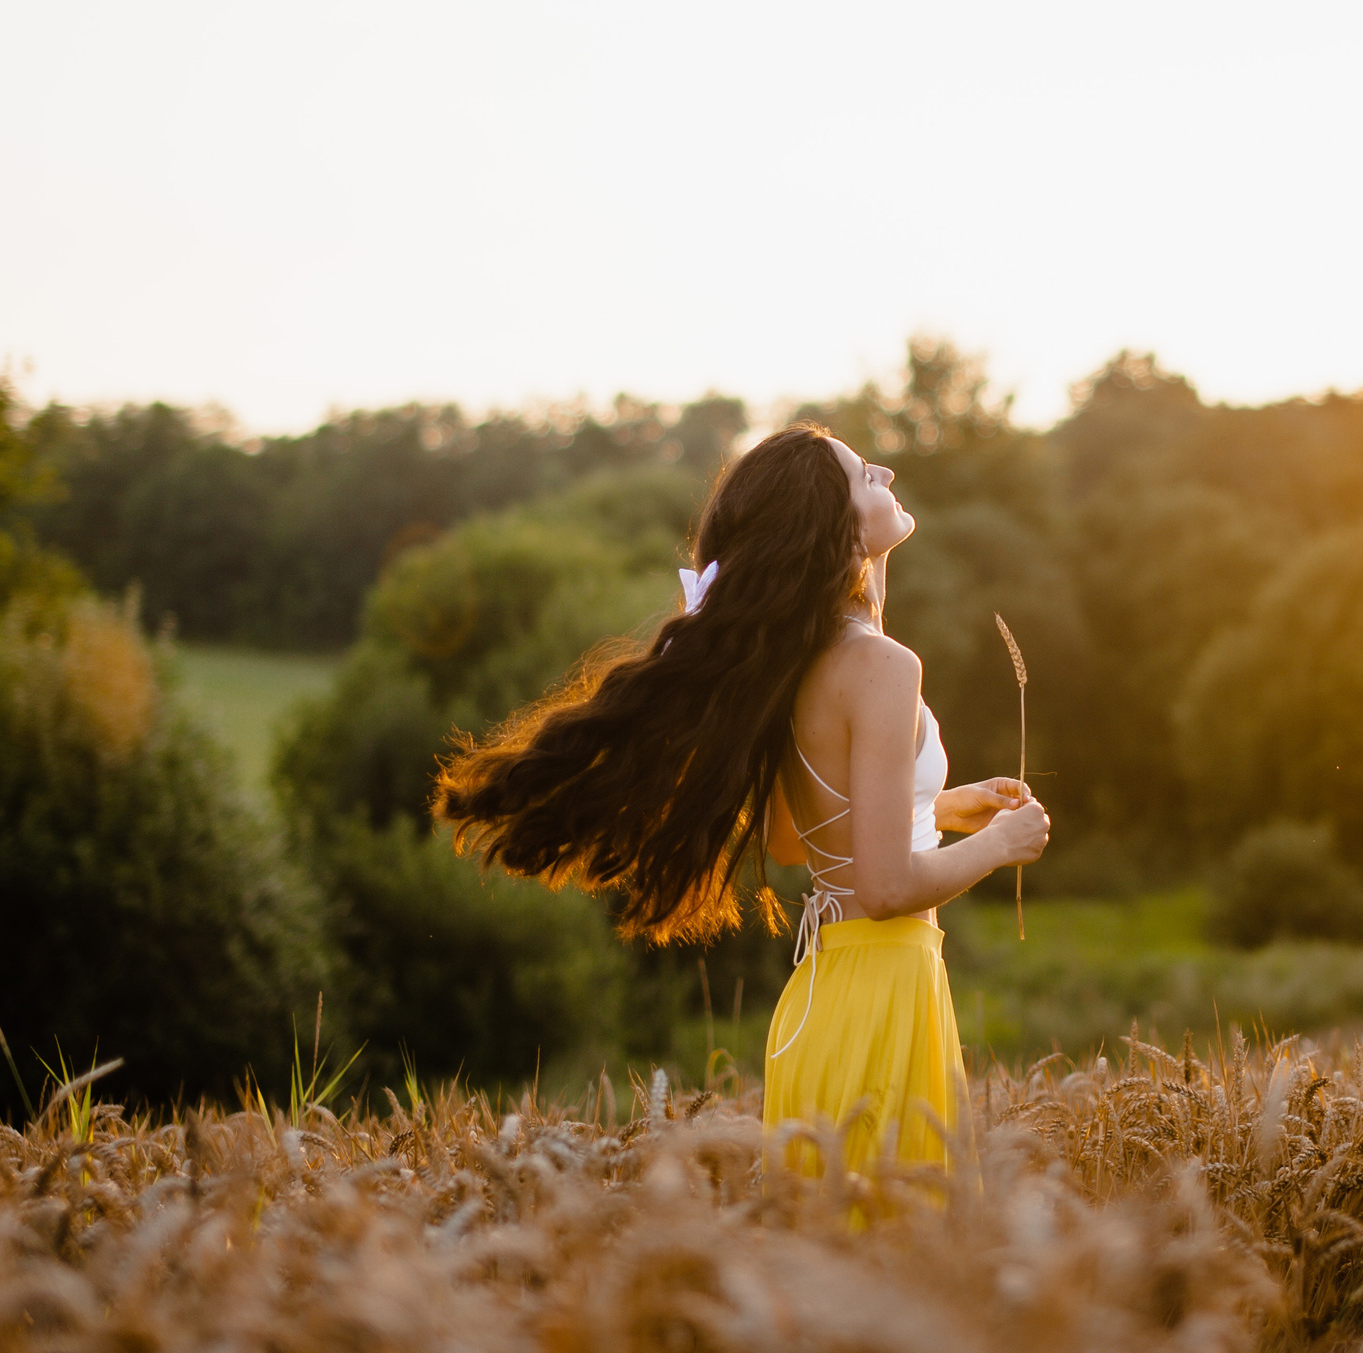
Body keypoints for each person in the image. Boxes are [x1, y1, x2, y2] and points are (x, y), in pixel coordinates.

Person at [436, 424, 1050, 1173]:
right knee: (897, 1267)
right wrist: (997, 846)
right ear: (837, 527)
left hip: (825, 999)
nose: (886, 471)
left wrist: (936, 810)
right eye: (865, 476)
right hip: (887, 996)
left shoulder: (798, 658)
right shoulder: (882, 666)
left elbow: (799, 843)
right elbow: (886, 887)